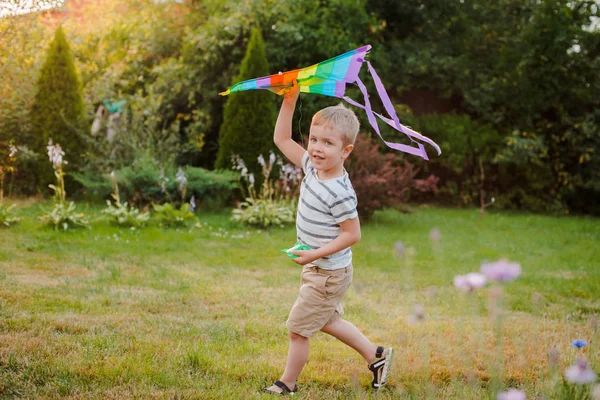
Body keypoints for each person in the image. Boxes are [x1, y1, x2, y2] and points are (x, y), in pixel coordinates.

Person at [262, 81, 393, 396]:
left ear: (346, 150)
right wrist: (290, 100)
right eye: (314, 139)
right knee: (327, 320)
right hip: (320, 267)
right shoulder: (312, 167)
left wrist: (315, 253)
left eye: (327, 143)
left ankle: (287, 383)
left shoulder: (339, 191)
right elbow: (281, 137)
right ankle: (378, 356)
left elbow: (353, 234)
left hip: (328, 273)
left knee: (297, 329)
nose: (317, 148)